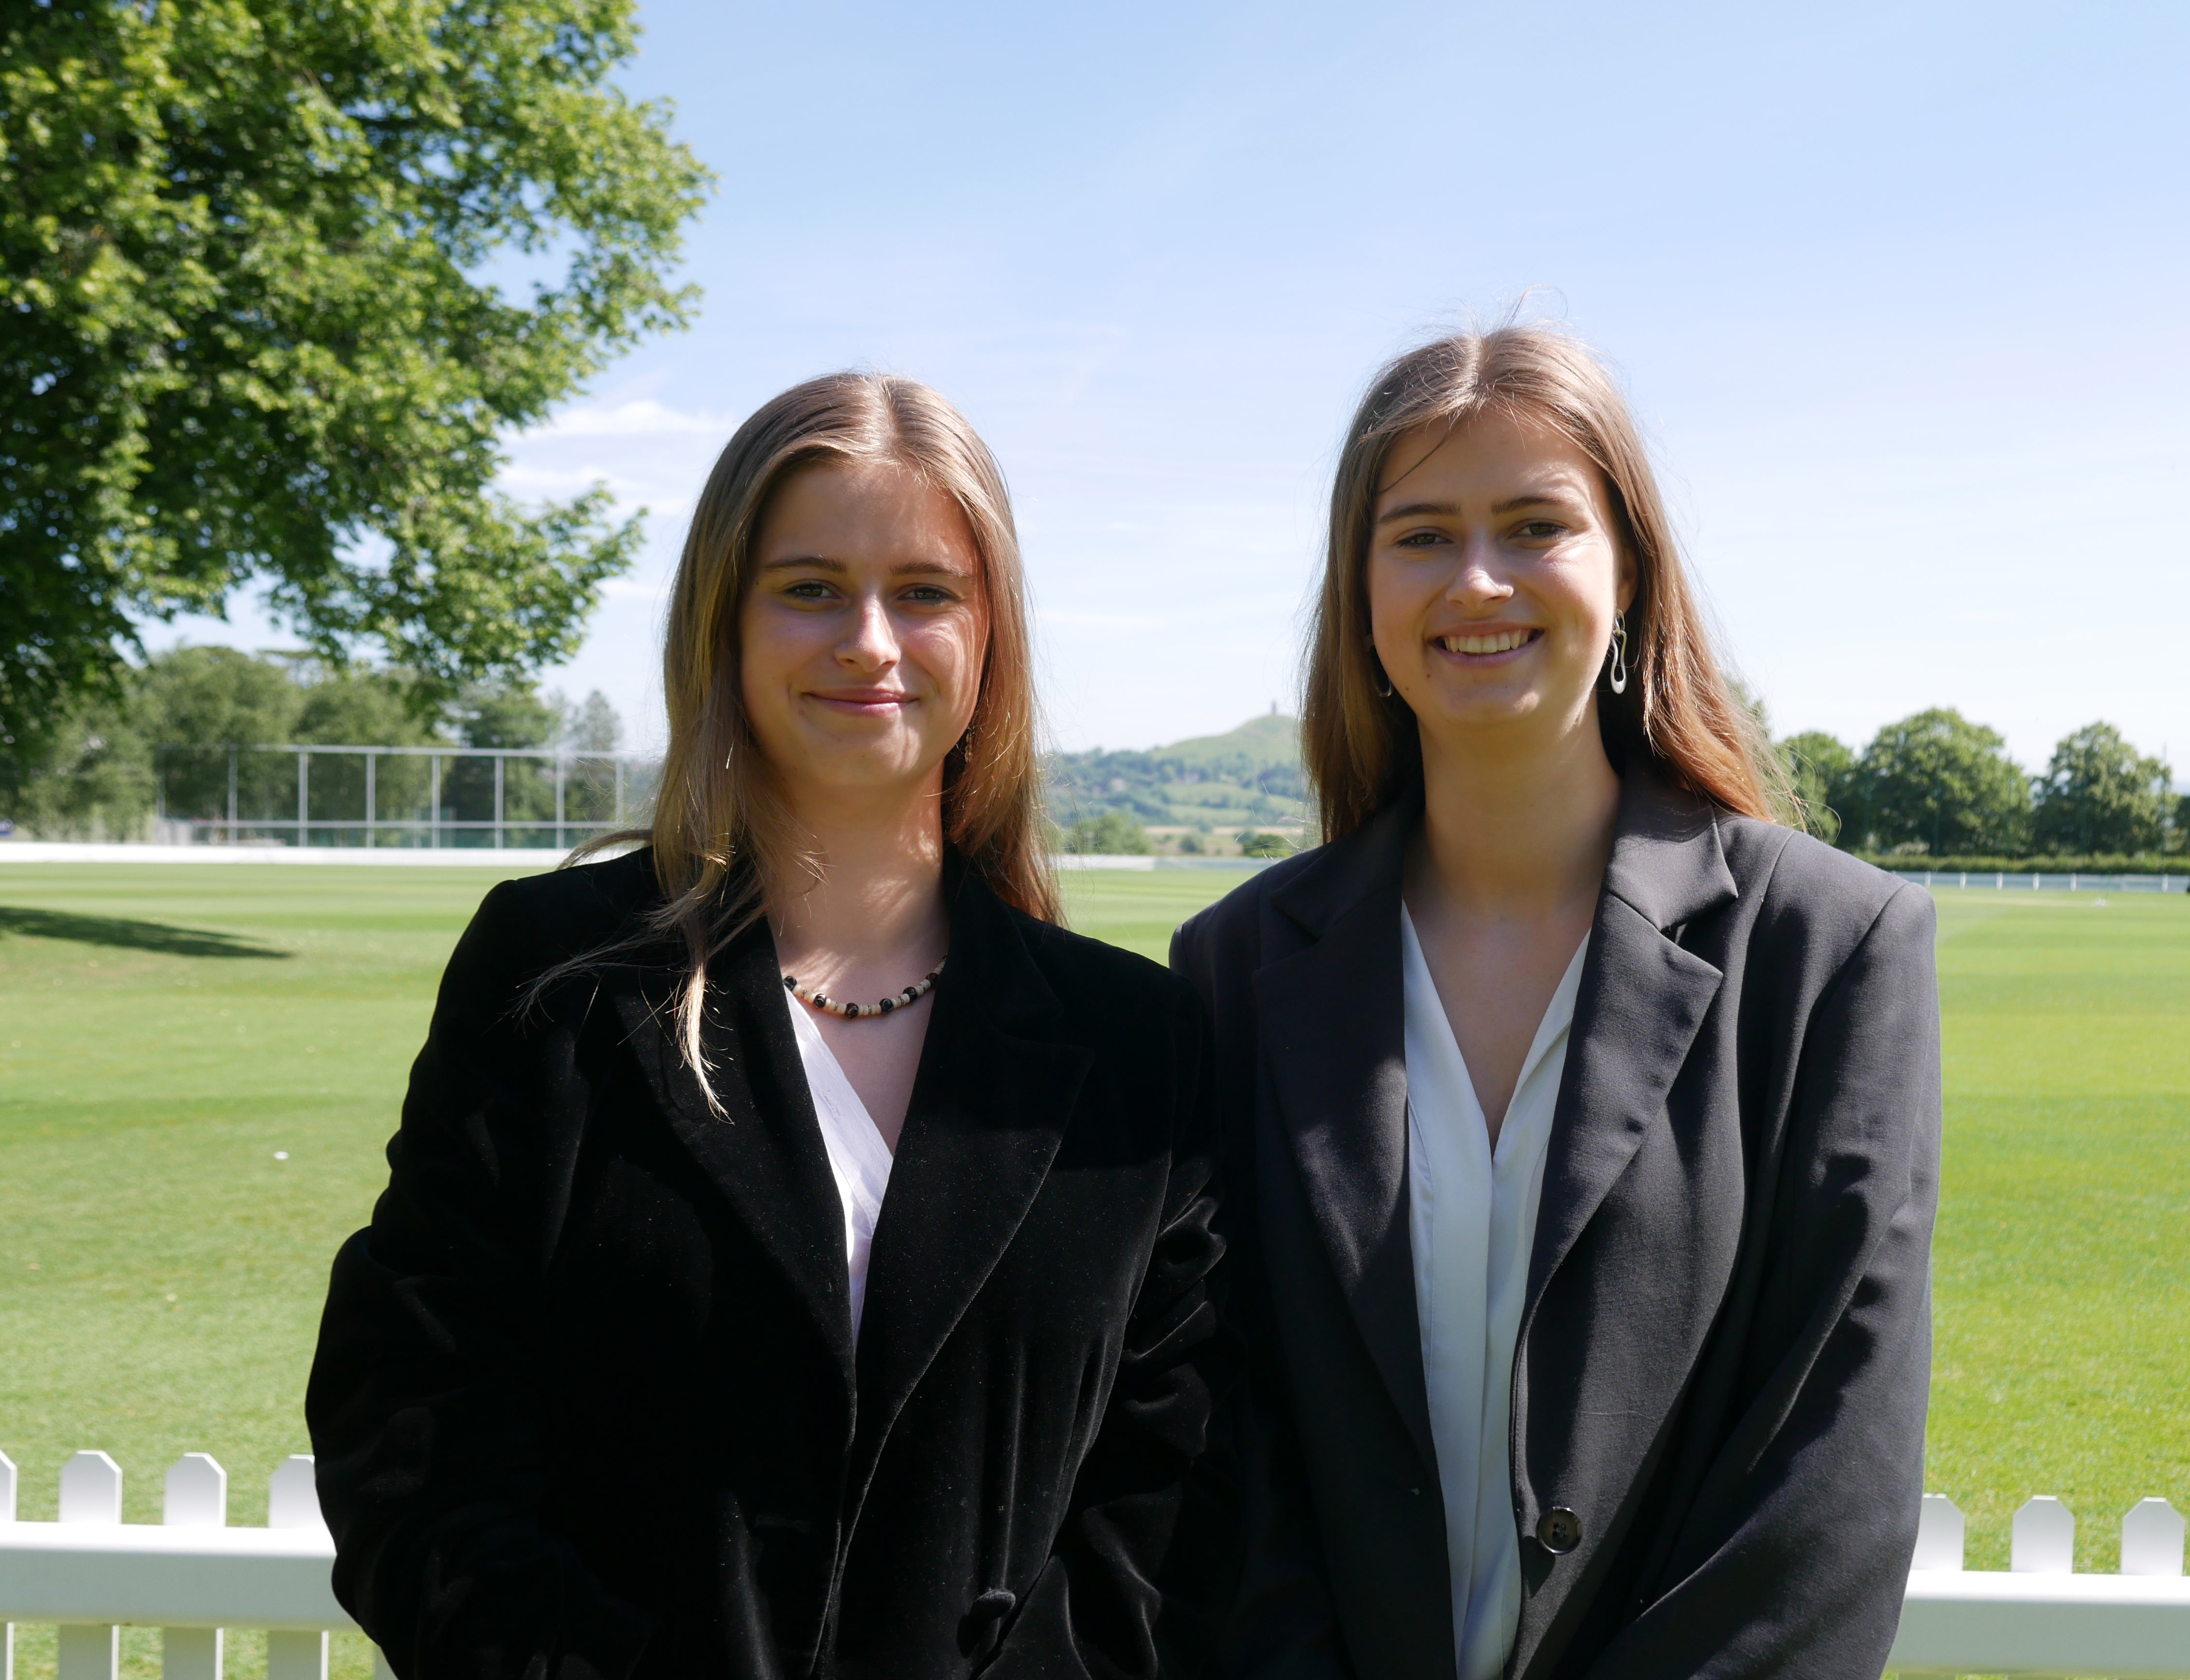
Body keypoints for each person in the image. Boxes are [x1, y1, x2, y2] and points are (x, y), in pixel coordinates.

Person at [307, 373, 1229, 1680]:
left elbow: (1180, 1497)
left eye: (925, 592)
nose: (869, 641)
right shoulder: (558, 980)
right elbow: (410, 1421)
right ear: (725, 623)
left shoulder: (1141, 1043)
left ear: (992, 637)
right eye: (809, 588)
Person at [1174, 328, 1940, 1680]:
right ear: (1360, 591)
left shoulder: (1835, 948)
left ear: (1629, 572)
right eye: (1421, 535)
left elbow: (1830, 1477)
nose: (1478, 579)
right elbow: (1224, 1461)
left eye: (1536, 525)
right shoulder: (1232, 972)